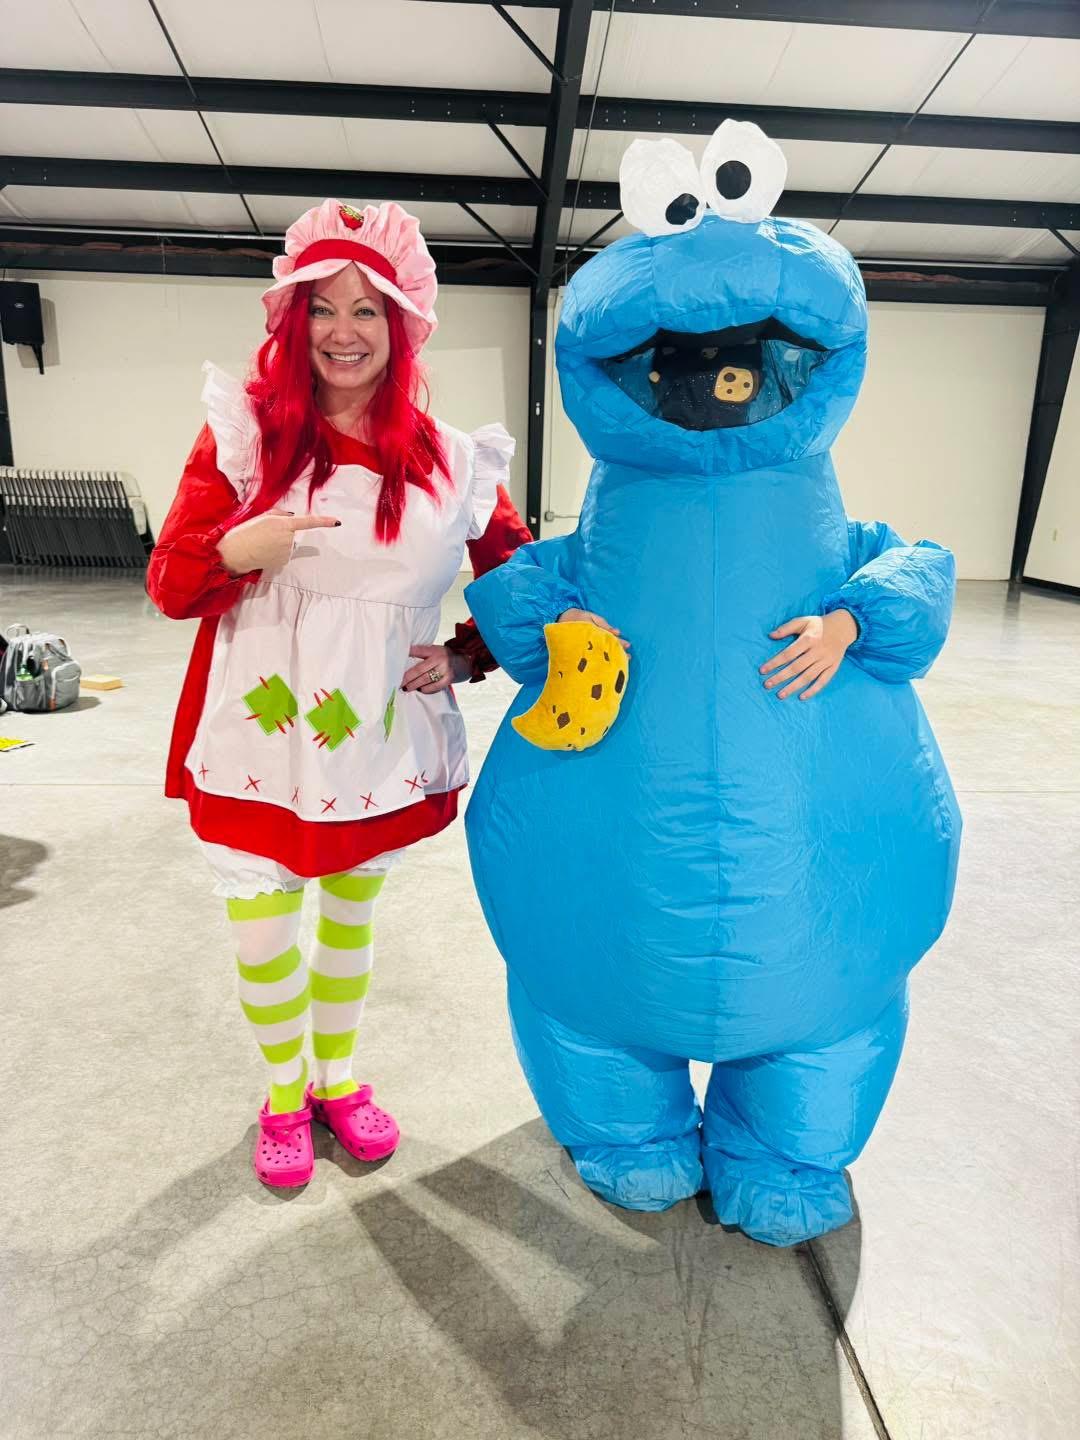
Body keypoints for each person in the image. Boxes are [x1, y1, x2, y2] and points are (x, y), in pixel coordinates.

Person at [148, 199, 530, 1189]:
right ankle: (285, 1095)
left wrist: (469, 655)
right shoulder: (246, 435)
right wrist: (238, 548)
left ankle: (339, 1079)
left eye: (367, 310)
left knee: (352, 920)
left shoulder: (452, 460)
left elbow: (522, 583)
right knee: (265, 929)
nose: (343, 332)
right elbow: (172, 586)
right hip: (261, 736)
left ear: (404, 326)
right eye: (322, 308)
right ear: (294, 318)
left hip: (376, 743)